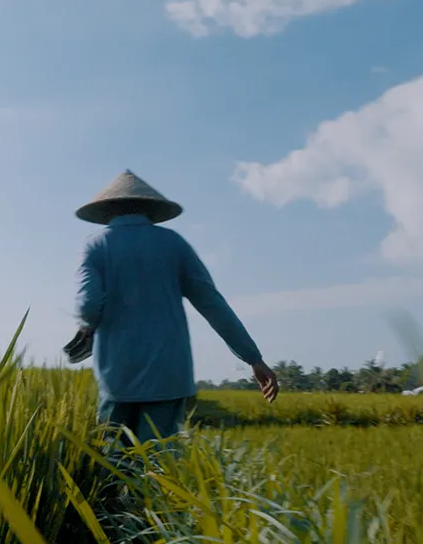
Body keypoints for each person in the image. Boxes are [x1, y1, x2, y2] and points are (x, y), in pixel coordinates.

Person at [64, 170, 278, 447]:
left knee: (115, 463)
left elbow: (88, 305)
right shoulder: (174, 244)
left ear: (107, 212)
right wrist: (253, 357)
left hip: (118, 375)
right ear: (152, 211)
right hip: (169, 374)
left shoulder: (96, 246)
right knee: (158, 463)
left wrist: (86, 327)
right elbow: (212, 304)